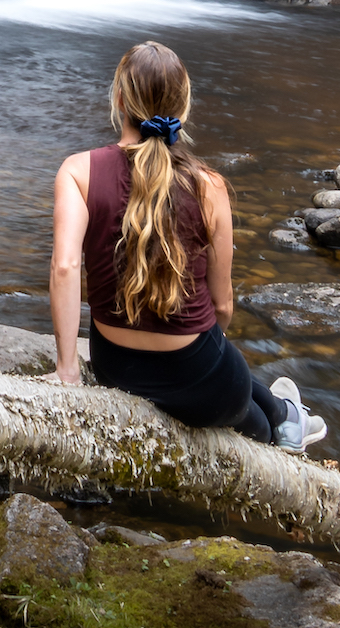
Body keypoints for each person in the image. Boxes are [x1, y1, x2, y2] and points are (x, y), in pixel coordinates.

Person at [47, 39, 325, 451]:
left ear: (120, 99)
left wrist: (68, 368)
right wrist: (200, 350)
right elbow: (223, 304)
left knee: (235, 387)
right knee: (246, 411)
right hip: (202, 375)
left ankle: (285, 412)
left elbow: (66, 267)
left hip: (115, 366)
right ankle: (285, 421)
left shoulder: (78, 171)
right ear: (184, 105)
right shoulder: (208, 185)